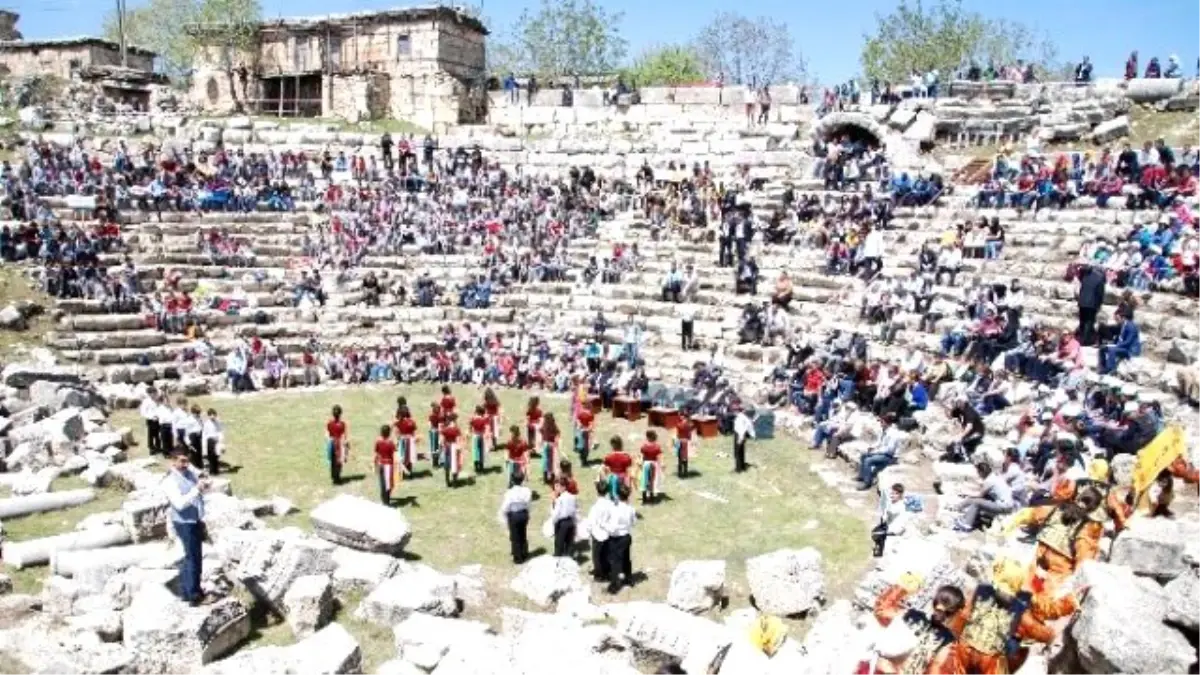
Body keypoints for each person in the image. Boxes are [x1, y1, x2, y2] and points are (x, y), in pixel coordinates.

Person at [1002, 487, 1104, 594]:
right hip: (1059, 569)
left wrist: (1006, 528)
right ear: (1093, 508)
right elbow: (1084, 561)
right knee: (1044, 599)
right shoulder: (1087, 527)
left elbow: (1028, 515)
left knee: (1019, 590)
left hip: (1037, 556)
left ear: (1079, 496)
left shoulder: (1056, 508)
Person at [870, 576, 965, 674]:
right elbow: (935, 669)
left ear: (935, 601)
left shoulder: (911, 615)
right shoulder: (947, 641)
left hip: (878, 670)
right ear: (956, 613)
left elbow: (880, 611)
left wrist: (901, 588)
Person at [162, 447, 211, 606]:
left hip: (195, 519)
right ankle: (193, 595)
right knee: (193, 558)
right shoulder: (169, 481)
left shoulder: (188, 473)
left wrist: (203, 484)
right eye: (182, 461)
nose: (185, 464)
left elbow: (199, 479)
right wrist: (196, 490)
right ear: (173, 461)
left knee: (192, 556)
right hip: (184, 523)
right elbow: (179, 504)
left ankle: (186, 589)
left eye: (187, 461)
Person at [606, 482, 636, 594]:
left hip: (616, 538)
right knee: (626, 559)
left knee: (615, 562)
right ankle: (628, 579)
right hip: (627, 536)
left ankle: (614, 585)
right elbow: (634, 522)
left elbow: (613, 528)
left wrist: (605, 527)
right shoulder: (631, 509)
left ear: (618, 495)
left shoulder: (615, 509)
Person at [498, 470, 532, 564]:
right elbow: (528, 503)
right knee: (523, 534)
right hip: (523, 514)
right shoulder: (527, 491)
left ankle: (518, 557)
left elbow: (506, 506)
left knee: (515, 536)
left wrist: (504, 515)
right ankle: (524, 552)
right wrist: (528, 513)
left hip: (514, 515)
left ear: (512, 480)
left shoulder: (510, 492)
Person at [871, 483, 912, 557]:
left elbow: (892, 514)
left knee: (878, 535)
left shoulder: (900, 506)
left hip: (894, 530)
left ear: (899, 495)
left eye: (894, 494)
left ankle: (885, 552)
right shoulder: (893, 503)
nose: (892, 495)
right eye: (891, 493)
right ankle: (880, 547)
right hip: (889, 526)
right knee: (875, 532)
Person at [586, 480, 613, 581]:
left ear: (597, 492)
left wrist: (588, 531)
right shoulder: (610, 504)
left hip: (597, 534)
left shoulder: (595, 507)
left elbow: (590, 522)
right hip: (607, 533)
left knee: (596, 556)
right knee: (606, 554)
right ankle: (606, 570)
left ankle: (599, 574)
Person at [1076, 264, 1106, 346]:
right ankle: (1084, 340)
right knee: (1089, 322)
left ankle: (1081, 338)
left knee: (1082, 321)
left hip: (1082, 302)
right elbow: (1100, 294)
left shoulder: (1086, 276)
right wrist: (1099, 305)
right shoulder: (1100, 279)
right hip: (1092, 304)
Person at [550, 475, 578, 557]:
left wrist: (554, 502)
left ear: (563, 487)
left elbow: (555, 514)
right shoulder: (572, 497)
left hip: (561, 523)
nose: (555, 488)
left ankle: (558, 560)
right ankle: (569, 561)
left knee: (559, 544)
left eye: (557, 486)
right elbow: (575, 511)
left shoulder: (559, 499)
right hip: (571, 522)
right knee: (569, 544)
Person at [374, 425, 398, 506]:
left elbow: (376, 454)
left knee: (382, 483)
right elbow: (395, 455)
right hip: (389, 465)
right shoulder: (391, 443)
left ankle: (383, 499)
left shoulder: (378, 442)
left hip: (381, 464)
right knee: (389, 484)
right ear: (389, 433)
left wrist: (375, 464)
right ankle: (386, 501)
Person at [639, 430, 665, 504]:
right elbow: (659, 457)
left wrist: (640, 464)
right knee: (652, 481)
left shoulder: (644, 447)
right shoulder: (657, 447)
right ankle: (651, 497)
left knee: (644, 480)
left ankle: (644, 498)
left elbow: (641, 457)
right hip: (654, 464)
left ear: (647, 437)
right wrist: (661, 465)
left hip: (646, 464)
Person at [326, 405, 349, 485]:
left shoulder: (329, 423)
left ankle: (333, 476)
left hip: (331, 442)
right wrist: (346, 445)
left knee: (332, 461)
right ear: (340, 414)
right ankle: (337, 477)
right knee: (339, 461)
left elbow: (328, 434)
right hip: (339, 443)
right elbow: (344, 435)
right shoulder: (342, 424)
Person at [394, 405, 418, 477]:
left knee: (402, 457)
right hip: (411, 440)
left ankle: (403, 473)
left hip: (403, 440)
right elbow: (414, 432)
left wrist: (397, 441)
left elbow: (397, 433)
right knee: (410, 457)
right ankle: (409, 472)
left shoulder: (399, 422)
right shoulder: (412, 422)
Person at [440, 412, 463, 487]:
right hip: (454, 447)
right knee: (455, 464)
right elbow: (458, 440)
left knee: (447, 465)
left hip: (447, 447)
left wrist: (442, 448)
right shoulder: (457, 429)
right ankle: (454, 482)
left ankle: (447, 481)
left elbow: (441, 441)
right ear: (455, 420)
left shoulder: (445, 429)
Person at [540, 412, 561, 484]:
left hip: (547, 444)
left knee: (546, 462)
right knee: (550, 462)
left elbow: (542, 433)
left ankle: (546, 478)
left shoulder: (545, 425)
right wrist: (556, 441)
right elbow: (558, 433)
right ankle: (550, 477)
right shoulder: (553, 425)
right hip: (550, 445)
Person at [733, 407, 755, 472]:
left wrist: (740, 438)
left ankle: (738, 469)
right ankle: (742, 466)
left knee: (737, 453)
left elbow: (741, 430)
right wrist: (753, 435)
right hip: (742, 435)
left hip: (739, 435)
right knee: (741, 452)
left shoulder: (741, 418)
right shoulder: (746, 418)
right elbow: (750, 427)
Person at [201, 408, 223, 476]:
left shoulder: (218, 422)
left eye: (214, 414)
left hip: (216, 441)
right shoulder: (207, 423)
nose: (212, 416)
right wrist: (204, 444)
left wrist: (220, 440)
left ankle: (216, 470)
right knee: (211, 457)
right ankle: (211, 470)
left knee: (216, 456)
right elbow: (204, 434)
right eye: (211, 415)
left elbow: (220, 431)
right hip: (210, 441)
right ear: (209, 415)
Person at [139, 389, 161, 455]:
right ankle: (151, 449)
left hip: (159, 420)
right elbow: (143, 412)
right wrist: (151, 417)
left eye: (155, 393)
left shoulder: (158, 400)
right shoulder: (146, 401)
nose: (154, 395)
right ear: (149, 394)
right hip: (151, 420)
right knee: (151, 435)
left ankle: (158, 447)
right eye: (152, 393)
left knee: (158, 434)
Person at [469, 405, 489, 474]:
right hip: (481, 436)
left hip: (475, 435)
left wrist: (470, 431)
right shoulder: (483, 420)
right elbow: (486, 428)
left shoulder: (473, 419)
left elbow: (470, 426)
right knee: (481, 451)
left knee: (475, 451)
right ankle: (481, 465)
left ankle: (476, 465)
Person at [575, 401, 595, 466]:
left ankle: (581, 459)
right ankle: (584, 460)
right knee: (586, 446)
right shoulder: (590, 414)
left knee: (581, 445)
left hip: (580, 431)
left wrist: (580, 428)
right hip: (586, 432)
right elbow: (591, 425)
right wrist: (589, 429)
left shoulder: (580, 413)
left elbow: (578, 423)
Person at [427, 402, 443, 469]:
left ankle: (434, 462)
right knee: (437, 448)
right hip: (437, 432)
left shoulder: (431, 416)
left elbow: (429, 425)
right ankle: (436, 463)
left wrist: (430, 431)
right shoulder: (440, 416)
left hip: (432, 431)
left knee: (433, 447)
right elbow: (440, 426)